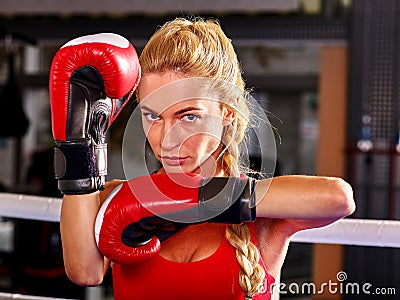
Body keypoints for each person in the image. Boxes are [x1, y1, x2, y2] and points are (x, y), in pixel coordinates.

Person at [53, 18, 355, 300]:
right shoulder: (118, 200)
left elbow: (338, 198)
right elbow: (84, 271)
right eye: (152, 116)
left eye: (189, 116)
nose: (167, 139)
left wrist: (192, 200)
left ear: (227, 112)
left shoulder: (264, 218)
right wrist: (78, 149)